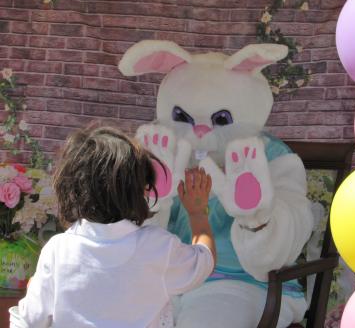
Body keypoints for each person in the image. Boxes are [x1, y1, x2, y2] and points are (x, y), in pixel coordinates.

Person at [10, 126, 216, 328]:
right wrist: (197, 213)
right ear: (138, 190)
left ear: (72, 186)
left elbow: (29, 321)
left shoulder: (58, 249)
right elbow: (204, 261)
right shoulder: (159, 247)